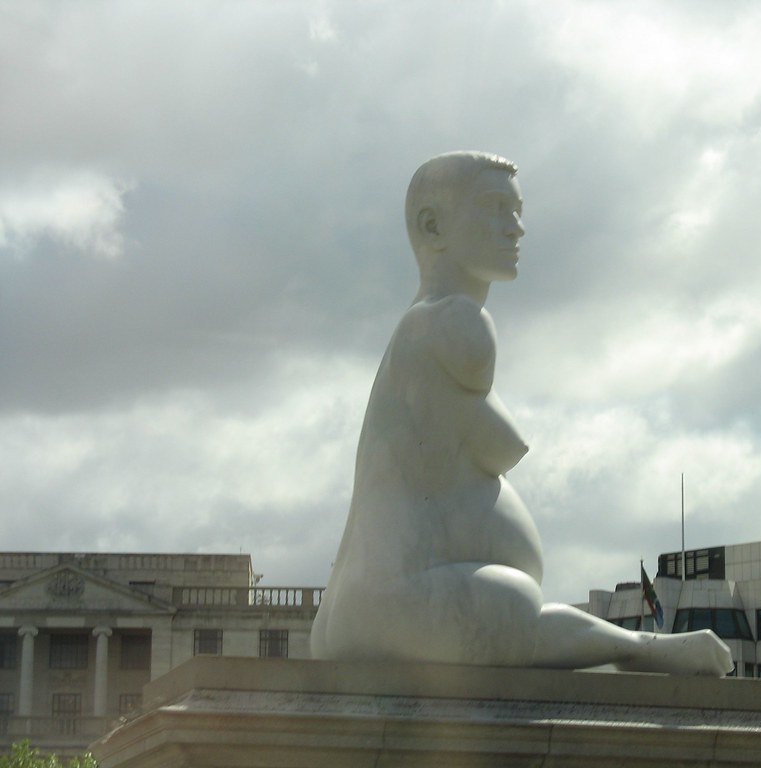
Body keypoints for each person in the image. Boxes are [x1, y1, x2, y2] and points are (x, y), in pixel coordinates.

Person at [310, 151, 733, 676]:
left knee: (508, 605)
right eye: (494, 208)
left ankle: (640, 648)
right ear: (432, 225)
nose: (517, 229)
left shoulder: (417, 332)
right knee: (510, 608)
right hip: (405, 608)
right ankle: (642, 648)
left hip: (359, 613)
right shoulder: (456, 323)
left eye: (517, 210)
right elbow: (501, 447)